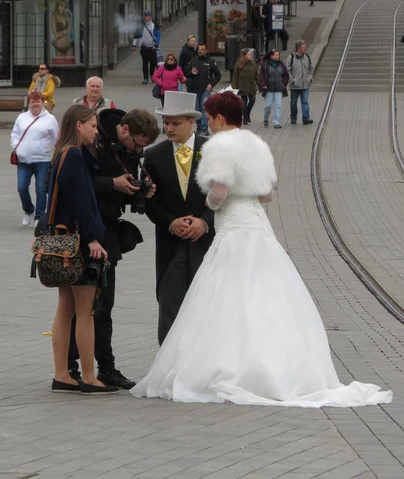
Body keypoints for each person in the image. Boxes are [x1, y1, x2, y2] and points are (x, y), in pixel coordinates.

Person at [131, 90, 393, 408]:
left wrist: (212, 202)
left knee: (224, 295)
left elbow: (218, 191)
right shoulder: (257, 144)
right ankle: (271, 364)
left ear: (217, 118)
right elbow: (267, 193)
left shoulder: (221, 146)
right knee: (263, 294)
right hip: (256, 225)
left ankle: (225, 364)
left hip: (233, 228)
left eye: (210, 118)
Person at [67, 108, 160, 390]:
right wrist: (113, 183)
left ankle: (105, 368)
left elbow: (120, 188)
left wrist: (139, 191)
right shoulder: (92, 142)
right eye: (139, 143)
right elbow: (77, 184)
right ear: (124, 130)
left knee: (104, 305)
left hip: (106, 232)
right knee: (79, 306)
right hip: (86, 233)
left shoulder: (126, 150)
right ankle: (71, 367)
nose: (140, 149)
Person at [48, 105, 118, 394]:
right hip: (78, 245)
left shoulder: (63, 153)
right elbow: (81, 202)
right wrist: (92, 238)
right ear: (78, 125)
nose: (95, 131)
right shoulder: (74, 156)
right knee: (85, 312)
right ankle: (89, 377)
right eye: (91, 125)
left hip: (62, 245)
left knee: (65, 310)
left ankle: (62, 374)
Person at [142, 91, 215, 345]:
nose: (169, 128)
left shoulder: (212, 151)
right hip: (170, 245)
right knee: (170, 309)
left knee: (206, 308)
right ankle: (168, 369)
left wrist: (204, 222)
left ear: (191, 122)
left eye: (175, 123)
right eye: (166, 123)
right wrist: (169, 222)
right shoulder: (153, 156)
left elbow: (222, 195)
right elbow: (150, 201)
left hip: (205, 244)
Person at [11, 91, 59, 227]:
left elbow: (56, 139)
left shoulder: (50, 119)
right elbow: (14, 134)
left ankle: (40, 216)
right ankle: (29, 211)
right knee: (21, 188)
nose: (35, 104)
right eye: (33, 101)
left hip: (42, 160)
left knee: (41, 189)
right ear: (29, 103)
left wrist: (58, 155)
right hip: (23, 160)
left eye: (38, 101)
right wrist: (16, 147)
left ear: (42, 102)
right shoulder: (21, 117)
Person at [186, 44, 221, 136]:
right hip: (195, 89)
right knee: (197, 110)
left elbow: (218, 75)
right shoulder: (193, 60)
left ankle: (204, 128)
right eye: (199, 49)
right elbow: (187, 74)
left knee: (204, 108)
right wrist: (191, 72)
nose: (200, 51)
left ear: (206, 51)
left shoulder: (211, 61)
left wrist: (211, 84)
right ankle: (199, 127)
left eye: (202, 49)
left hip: (206, 89)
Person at [286, 40, 314, 125]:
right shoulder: (291, 58)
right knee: (293, 103)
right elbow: (287, 70)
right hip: (295, 85)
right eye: (303, 47)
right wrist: (292, 80)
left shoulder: (307, 57)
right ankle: (293, 117)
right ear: (298, 49)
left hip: (305, 85)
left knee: (305, 101)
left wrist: (310, 78)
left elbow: (311, 68)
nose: (305, 48)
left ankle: (305, 118)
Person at [260, 49, 289, 128]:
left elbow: (286, 75)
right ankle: (266, 118)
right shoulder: (265, 64)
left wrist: (283, 84)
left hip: (279, 88)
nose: (278, 56)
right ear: (271, 56)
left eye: (278, 55)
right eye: (276, 55)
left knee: (278, 105)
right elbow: (261, 76)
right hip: (268, 88)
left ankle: (276, 122)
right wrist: (263, 85)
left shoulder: (281, 64)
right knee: (267, 106)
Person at [231, 48, 259, 125]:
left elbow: (257, 76)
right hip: (242, 86)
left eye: (251, 54)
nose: (251, 56)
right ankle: (245, 118)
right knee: (244, 103)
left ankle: (247, 114)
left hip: (251, 86)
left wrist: (260, 86)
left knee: (252, 100)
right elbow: (235, 76)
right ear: (244, 56)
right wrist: (234, 86)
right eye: (249, 55)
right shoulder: (239, 64)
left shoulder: (253, 64)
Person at [133, 10, 161, 85]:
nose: (147, 17)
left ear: (150, 16)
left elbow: (158, 36)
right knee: (145, 63)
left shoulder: (154, 26)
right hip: (144, 47)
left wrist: (156, 45)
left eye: (148, 16)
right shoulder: (141, 26)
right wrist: (134, 45)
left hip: (152, 47)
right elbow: (137, 35)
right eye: (145, 16)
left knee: (153, 62)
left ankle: (152, 74)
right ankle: (145, 78)